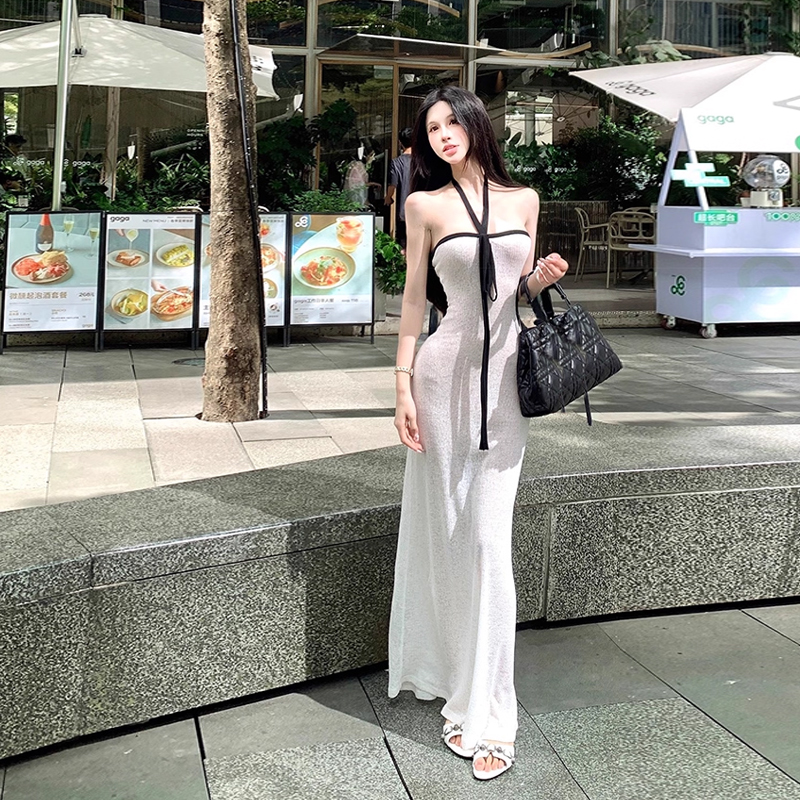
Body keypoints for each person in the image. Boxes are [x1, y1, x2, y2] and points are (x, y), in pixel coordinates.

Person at [388, 86, 568, 781]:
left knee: (490, 542)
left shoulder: (524, 200)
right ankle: (459, 683)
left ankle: (492, 716)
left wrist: (538, 280)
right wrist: (401, 385)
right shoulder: (424, 206)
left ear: (474, 124)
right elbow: (414, 300)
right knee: (453, 531)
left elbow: (510, 294)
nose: (441, 134)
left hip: (504, 389)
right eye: (430, 128)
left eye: (451, 122)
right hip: (440, 379)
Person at [384, 127, 412, 249]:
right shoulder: (423, 162)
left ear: (400, 143)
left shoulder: (397, 163)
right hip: (423, 211)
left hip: (404, 212)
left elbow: (392, 185)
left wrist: (388, 197)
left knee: (403, 245)